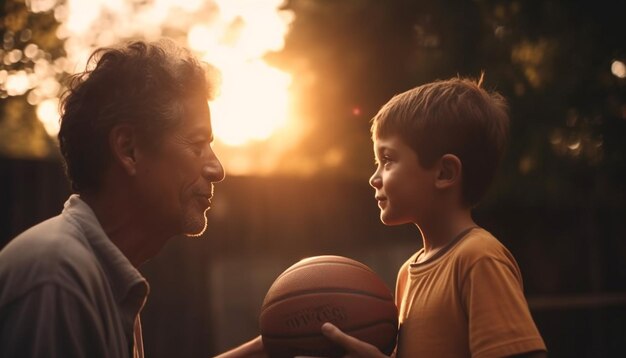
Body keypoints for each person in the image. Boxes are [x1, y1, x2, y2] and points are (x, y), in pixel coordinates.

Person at [0, 39, 264, 357]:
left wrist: (271, 349)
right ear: (129, 150)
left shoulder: (98, 273)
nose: (217, 169)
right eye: (197, 145)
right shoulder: (58, 280)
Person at [321, 77, 547, 357]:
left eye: (388, 160)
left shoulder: (479, 259)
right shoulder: (407, 274)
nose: (373, 178)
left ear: (445, 173)